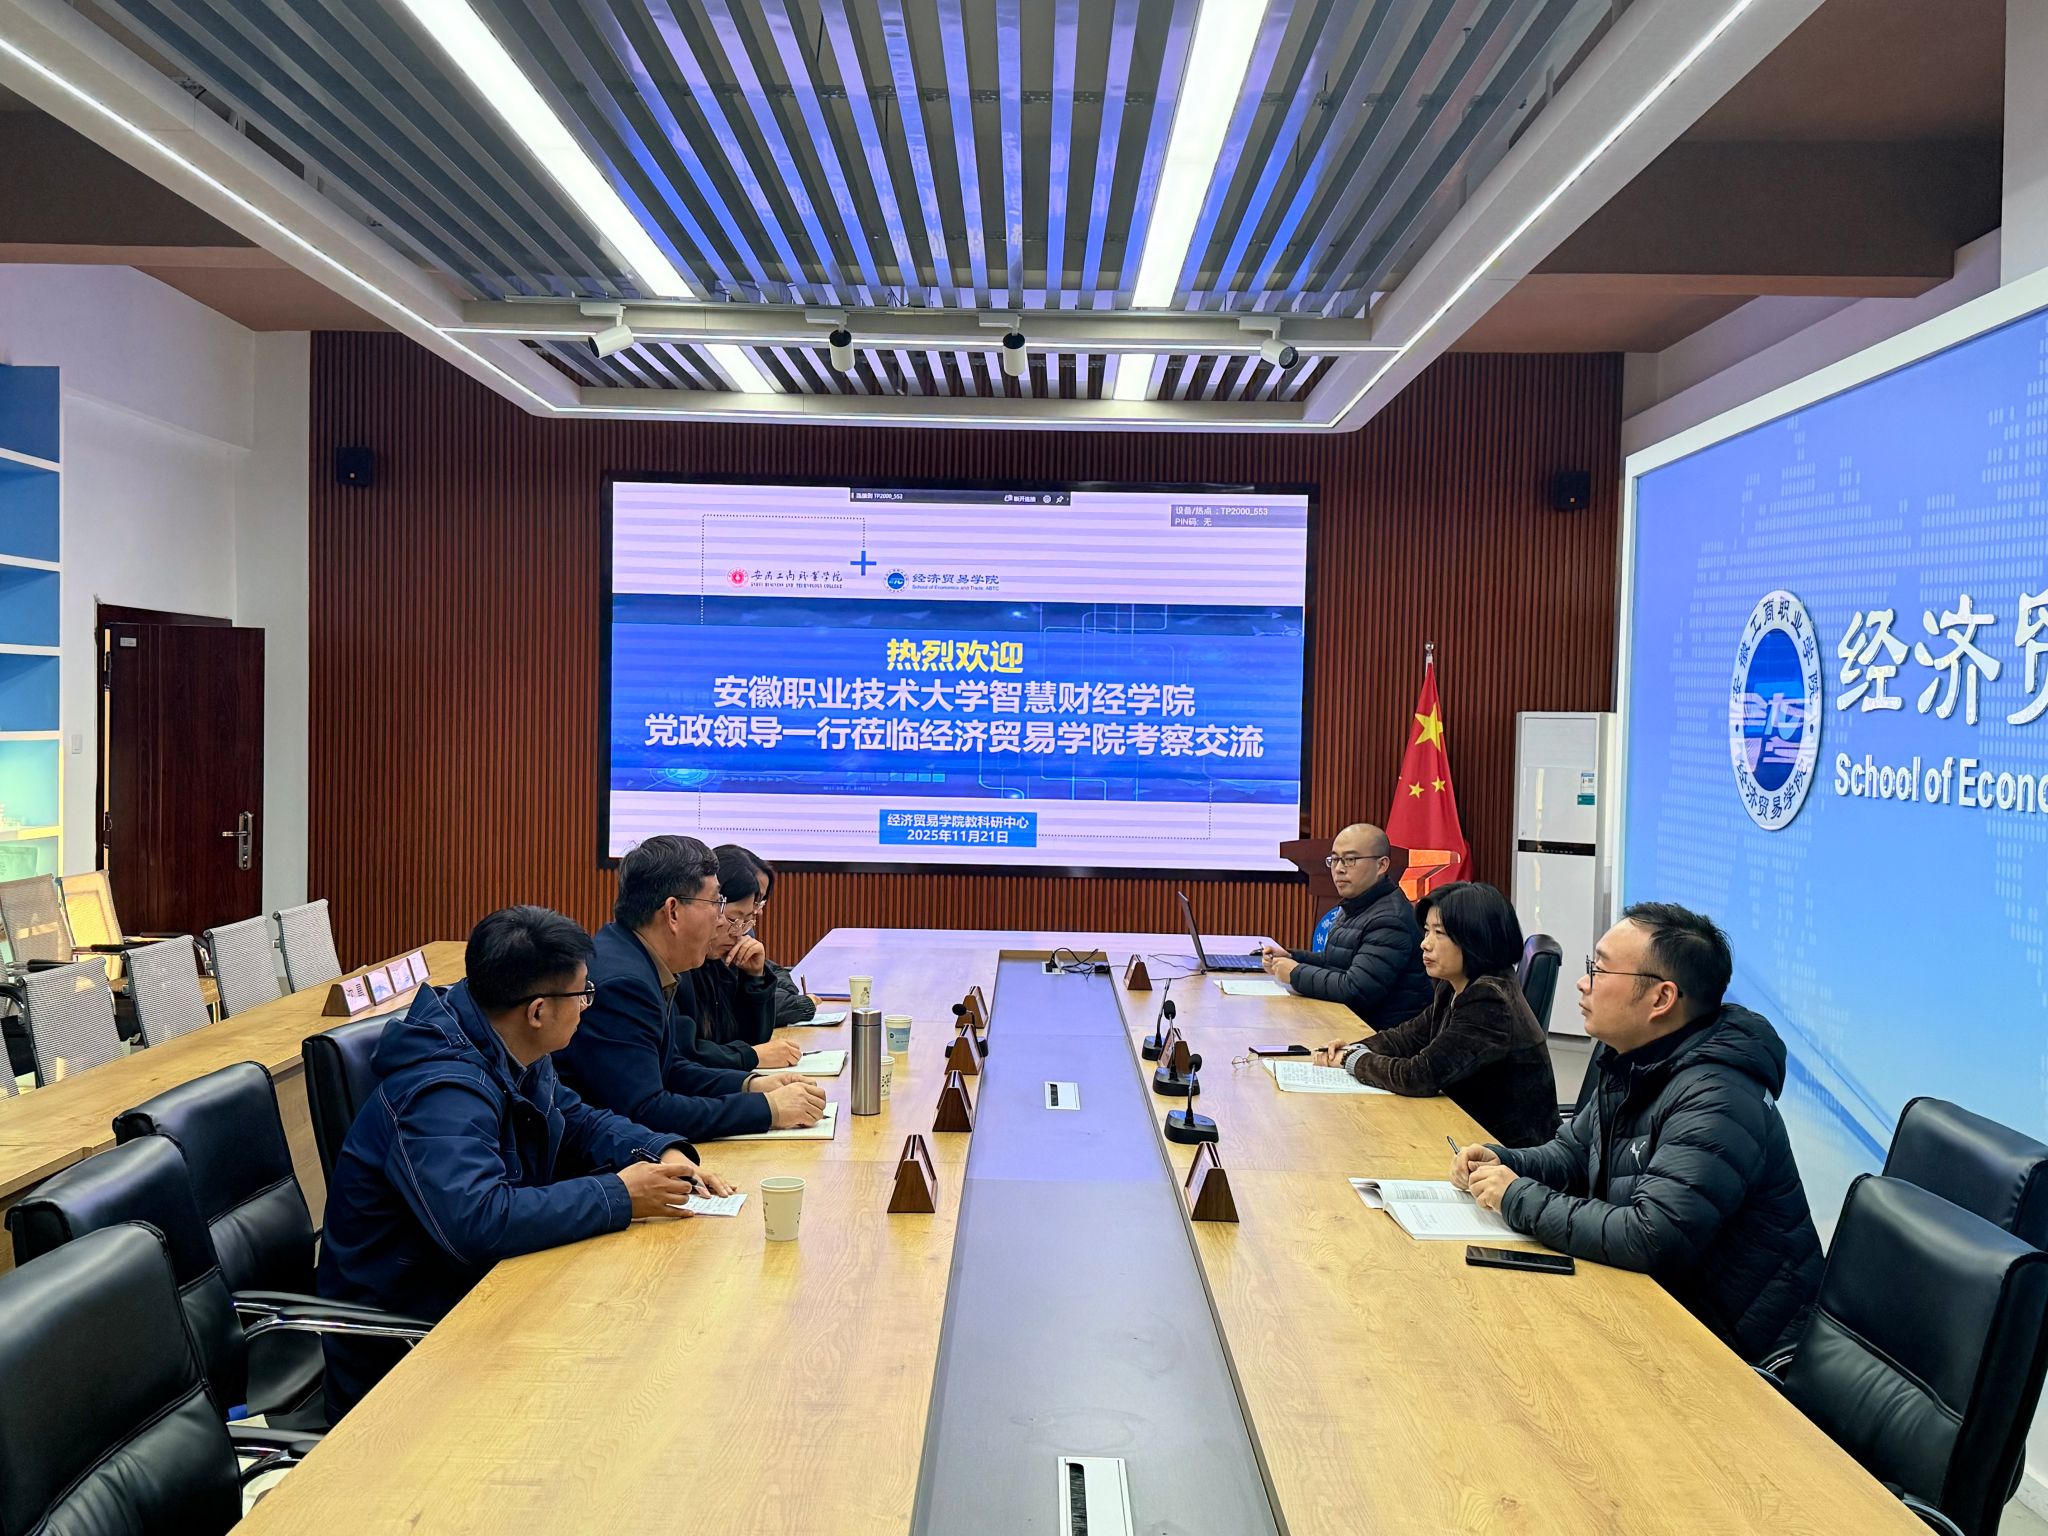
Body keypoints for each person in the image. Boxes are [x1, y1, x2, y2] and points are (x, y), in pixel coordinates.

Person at [315, 905, 734, 1417]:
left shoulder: (505, 1043)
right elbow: (480, 1221)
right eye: (582, 994)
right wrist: (621, 1195)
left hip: (487, 1296)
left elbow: (577, 1119)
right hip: (414, 1348)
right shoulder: (441, 1092)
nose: (587, 1006)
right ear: (537, 1011)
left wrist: (660, 1151)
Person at [1450, 902, 1823, 1361]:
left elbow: (1651, 1236)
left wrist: (1515, 1196)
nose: (1583, 982)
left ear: (1662, 999)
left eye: (1599, 970)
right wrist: (1503, 1161)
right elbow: (1572, 1153)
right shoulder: (1638, 1058)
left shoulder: (1718, 1096)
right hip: (1651, 1307)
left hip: (1730, 1347)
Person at [558, 834, 823, 1140]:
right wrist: (769, 1110)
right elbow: (646, 1110)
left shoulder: (639, 958)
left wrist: (751, 1085)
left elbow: (672, 1068)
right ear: (672, 912)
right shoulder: (624, 984)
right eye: (716, 903)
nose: (721, 921)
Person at [1308, 882, 1557, 1147]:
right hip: (1467, 1133)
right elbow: (1407, 1037)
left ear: (1475, 938)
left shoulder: (1489, 1001)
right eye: (1427, 931)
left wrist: (1352, 1060)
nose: (1425, 944)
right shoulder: (1456, 984)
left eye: (1440, 933)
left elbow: (1419, 1076)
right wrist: (1356, 1047)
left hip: (1506, 1155)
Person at [1261, 822, 1431, 1026]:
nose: (1339, 869)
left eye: (1350, 860)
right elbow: (1336, 962)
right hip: (1346, 1023)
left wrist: (1295, 973)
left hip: (1378, 1034)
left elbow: (1355, 990)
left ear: (1381, 865)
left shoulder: (1390, 919)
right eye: (1334, 859)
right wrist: (1292, 957)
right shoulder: (1358, 903)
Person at [672, 845, 789, 1070]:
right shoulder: (678, 963)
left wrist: (755, 977)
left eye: (747, 921)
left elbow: (750, 1040)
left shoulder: (725, 955)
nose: (739, 933)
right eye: (734, 919)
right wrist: (749, 1059)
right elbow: (684, 1053)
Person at [742, 851, 819, 1028]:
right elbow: (746, 1008)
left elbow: (773, 970)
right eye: (754, 899)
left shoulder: (744, 929)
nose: (757, 910)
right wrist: (802, 1004)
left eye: (761, 900)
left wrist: (789, 992)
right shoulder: (728, 931)